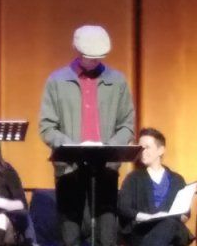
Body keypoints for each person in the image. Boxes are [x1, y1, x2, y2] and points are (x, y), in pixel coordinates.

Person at [39, 25, 135, 246]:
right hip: (70, 171)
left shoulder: (117, 81)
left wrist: (108, 148)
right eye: (88, 57)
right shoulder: (57, 81)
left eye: (98, 58)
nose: (93, 62)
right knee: (70, 236)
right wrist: (72, 146)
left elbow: (127, 125)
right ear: (77, 51)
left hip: (105, 170)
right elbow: (47, 127)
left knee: (106, 236)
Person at [118, 128, 193, 246]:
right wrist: (148, 217)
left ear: (161, 150)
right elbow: (124, 207)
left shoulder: (177, 180)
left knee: (170, 224)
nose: (143, 151)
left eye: (147, 147)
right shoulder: (133, 178)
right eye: (140, 148)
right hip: (143, 231)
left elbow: (185, 214)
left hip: (172, 230)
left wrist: (180, 214)